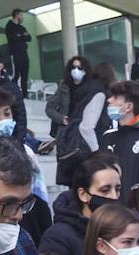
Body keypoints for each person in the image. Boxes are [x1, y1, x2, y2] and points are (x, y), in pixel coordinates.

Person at [0, 84, 52, 243]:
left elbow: (41, 201)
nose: (3, 121)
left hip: (28, 232)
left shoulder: (27, 154)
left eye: (7, 114)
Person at [40, 150, 121, 255]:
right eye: (105, 190)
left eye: (117, 189)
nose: (114, 196)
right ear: (83, 194)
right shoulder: (58, 237)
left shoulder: (123, 227)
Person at [56, 53, 110, 186]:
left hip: (75, 150)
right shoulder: (98, 93)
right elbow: (86, 127)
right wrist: (97, 154)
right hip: (86, 153)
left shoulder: (82, 92)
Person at [5, 7, 30, 95]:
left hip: (24, 53)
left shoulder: (22, 27)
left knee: (25, 75)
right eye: (21, 15)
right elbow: (13, 37)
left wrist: (20, 35)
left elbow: (29, 38)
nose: (22, 17)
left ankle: (25, 94)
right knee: (16, 75)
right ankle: (13, 93)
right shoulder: (9, 26)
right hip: (15, 54)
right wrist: (22, 35)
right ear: (17, 15)